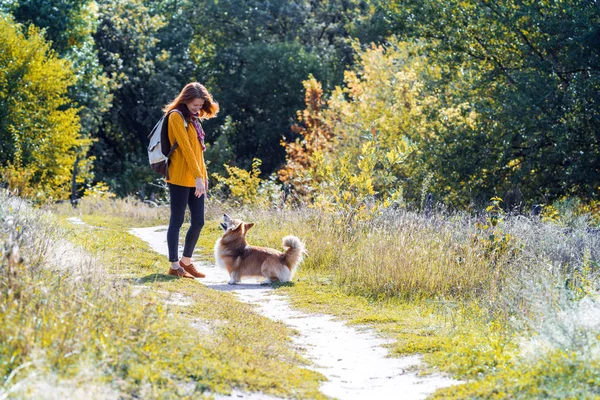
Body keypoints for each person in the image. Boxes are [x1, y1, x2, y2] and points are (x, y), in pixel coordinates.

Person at [163, 82, 219, 278]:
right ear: (185, 100)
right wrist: (197, 177)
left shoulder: (194, 119)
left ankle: (186, 262)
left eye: (200, 105)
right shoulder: (176, 116)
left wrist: (204, 177)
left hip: (196, 178)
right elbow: (186, 150)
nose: (198, 108)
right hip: (179, 176)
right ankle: (174, 266)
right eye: (195, 105)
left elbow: (198, 152)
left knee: (198, 221)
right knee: (176, 221)